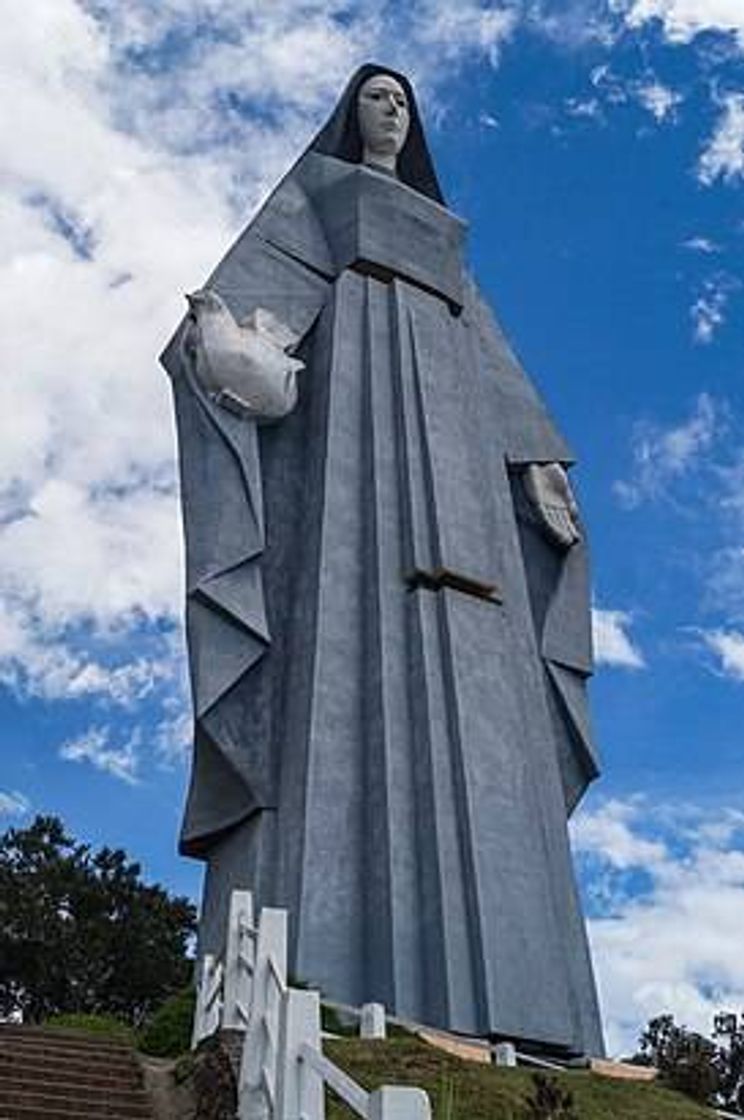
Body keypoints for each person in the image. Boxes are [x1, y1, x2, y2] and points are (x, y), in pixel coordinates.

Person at [162, 64, 604, 1056]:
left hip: (469, 535)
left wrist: (538, 472)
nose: (392, 108)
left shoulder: (453, 266)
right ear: (348, 114)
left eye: (404, 99)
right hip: (352, 497)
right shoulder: (320, 202)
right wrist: (222, 352)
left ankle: (531, 1017)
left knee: (495, 733)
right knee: (341, 689)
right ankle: (323, 983)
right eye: (375, 96)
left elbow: (510, 399)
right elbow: (227, 327)